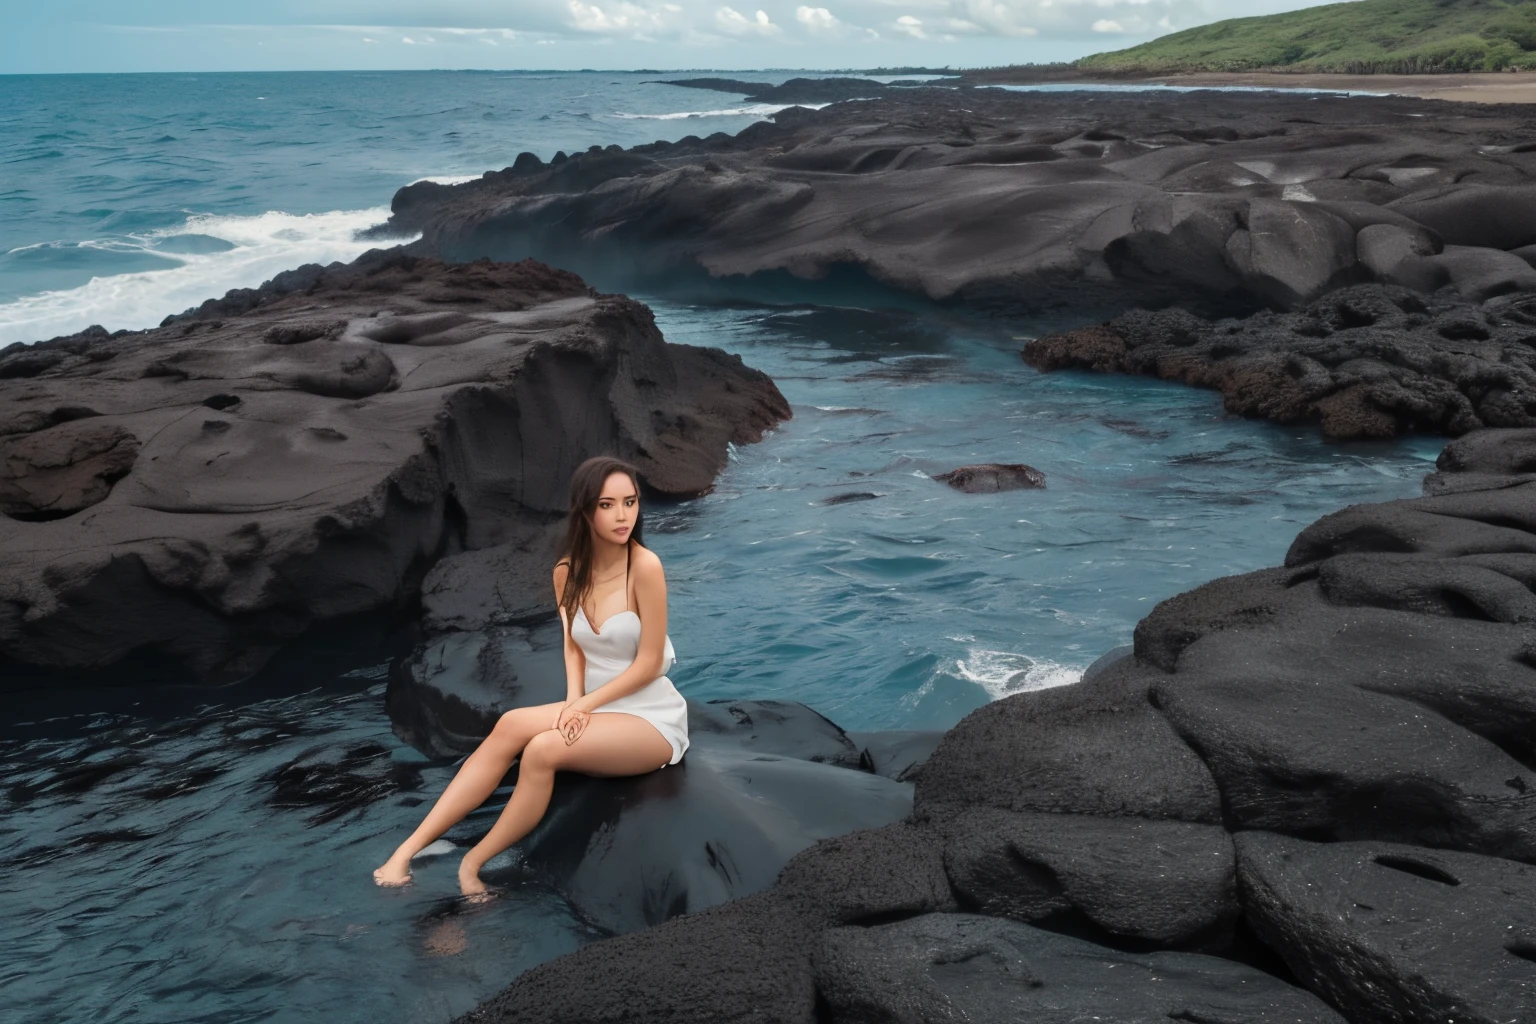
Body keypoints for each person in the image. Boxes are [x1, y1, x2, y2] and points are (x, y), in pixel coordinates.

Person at [373, 455, 690, 897]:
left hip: (650, 718)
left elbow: (650, 662)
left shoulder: (646, 568)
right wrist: (575, 698)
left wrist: (582, 706)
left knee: (542, 749)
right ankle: (406, 851)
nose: (623, 515)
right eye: (608, 504)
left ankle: (472, 863)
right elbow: (573, 646)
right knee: (509, 725)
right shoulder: (567, 572)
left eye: (631, 502)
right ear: (584, 511)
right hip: (599, 706)